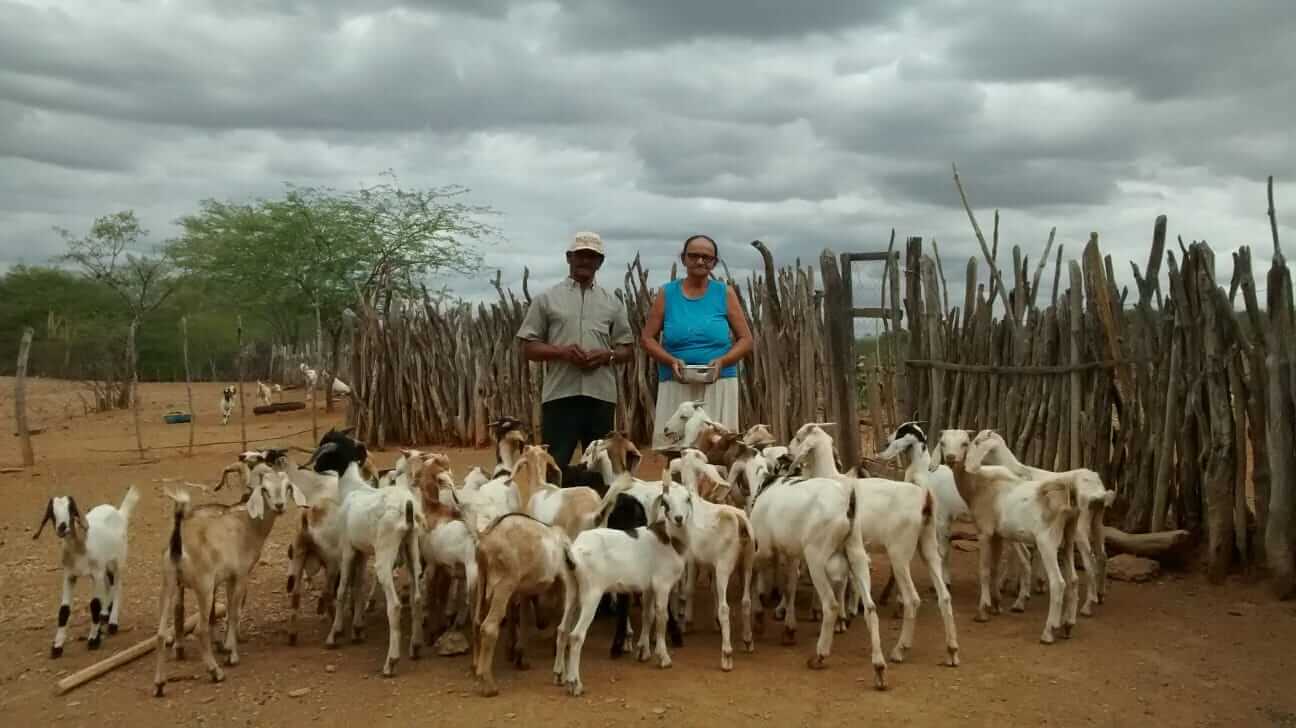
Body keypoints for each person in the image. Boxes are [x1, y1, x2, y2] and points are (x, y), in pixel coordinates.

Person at [516, 232, 634, 475]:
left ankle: (598, 511)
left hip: (600, 396)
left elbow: (627, 349)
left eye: (592, 256)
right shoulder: (546, 299)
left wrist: (607, 355)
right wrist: (562, 352)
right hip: (560, 394)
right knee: (554, 466)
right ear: (569, 257)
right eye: (580, 255)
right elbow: (528, 347)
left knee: (602, 468)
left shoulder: (612, 303)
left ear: (600, 262)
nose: (585, 261)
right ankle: (550, 512)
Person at [640, 234, 754, 448]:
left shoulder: (724, 293)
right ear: (683, 259)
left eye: (706, 257)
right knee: (675, 449)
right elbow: (647, 339)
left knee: (718, 448)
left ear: (714, 263)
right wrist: (670, 360)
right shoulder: (668, 293)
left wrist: (722, 361)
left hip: (718, 383)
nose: (700, 261)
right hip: (676, 381)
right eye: (694, 256)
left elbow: (746, 340)